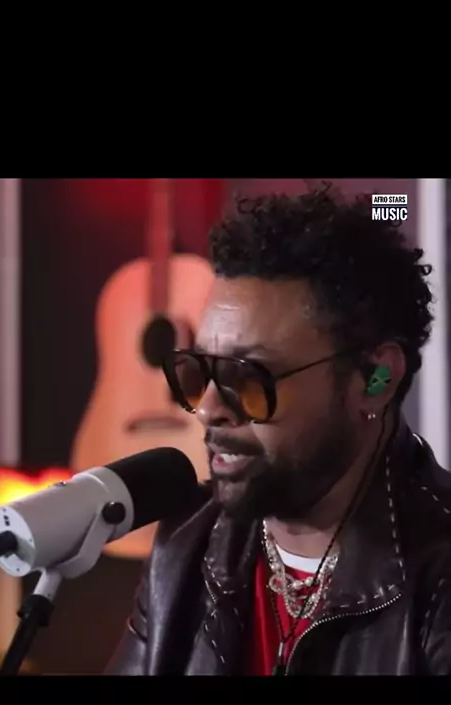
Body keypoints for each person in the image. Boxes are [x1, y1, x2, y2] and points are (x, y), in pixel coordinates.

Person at [107, 183, 451, 676]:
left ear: (375, 380)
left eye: (248, 377)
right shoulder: (187, 547)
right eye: (199, 371)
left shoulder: (438, 580)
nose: (208, 410)